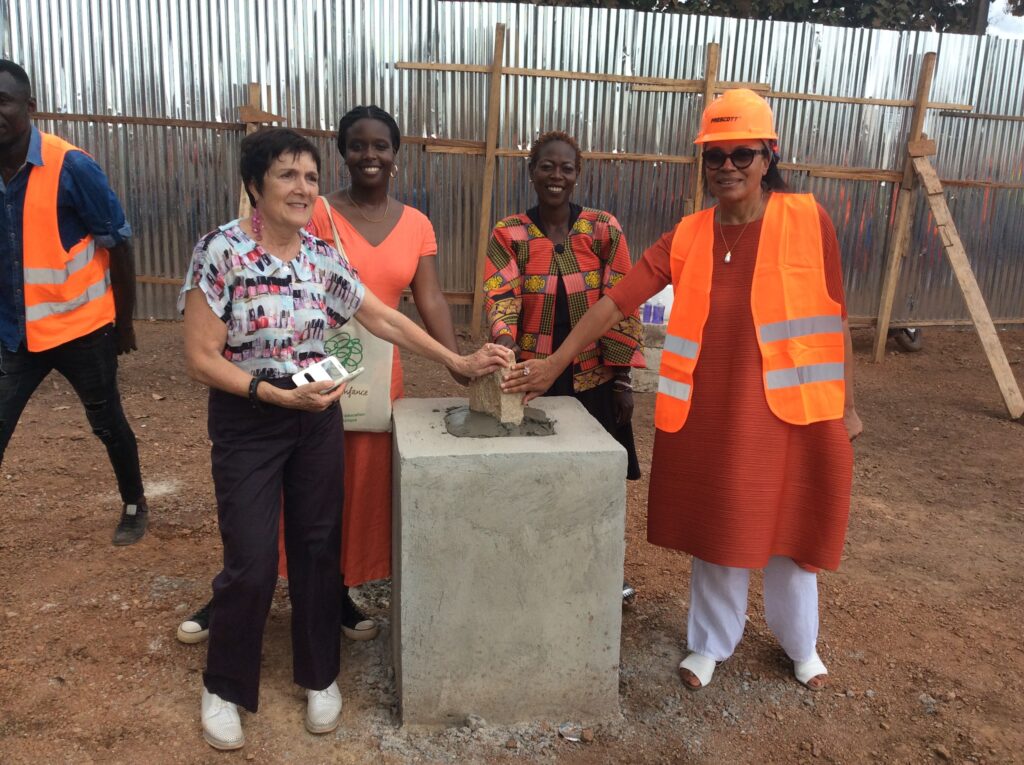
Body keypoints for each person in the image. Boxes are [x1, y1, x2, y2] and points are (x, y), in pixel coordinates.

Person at [503, 90, 862, 692]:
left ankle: (801, 646)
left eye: (741, 154)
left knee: (790, 526)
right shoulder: (689, 234)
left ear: (768, 156)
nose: (727, 167)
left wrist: (848, 407)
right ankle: (709, 644)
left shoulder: (807, 219)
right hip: (712, 408)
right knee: (720, 523)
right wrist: (553, 362)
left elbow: (838, 315)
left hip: (796, 407)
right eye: (714, 156)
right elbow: (615, 301)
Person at [181, 126, 509, 750]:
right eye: (286, 175)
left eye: (309, 176)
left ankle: (319, 676)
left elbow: (380, 315)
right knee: (251, 560)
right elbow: (200, 357)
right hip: (250, 416)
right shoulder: (219, 251)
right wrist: (271, 394)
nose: (303, 188)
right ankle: (224, 685)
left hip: (316, 417)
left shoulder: (320, 254)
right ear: (255, 186)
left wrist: (456, 363)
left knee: (316, 547)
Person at [175, 105, 466, 645]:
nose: (370, 155)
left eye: (381, 146)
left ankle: (329, 600)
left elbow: (404, 308)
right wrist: (270, 391)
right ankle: (238, 596)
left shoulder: (387, 232)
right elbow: (210, 339)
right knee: (255, 513)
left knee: (331, 511)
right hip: (276, 386)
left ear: (396, 155)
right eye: (357, 145)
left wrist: (456, 360)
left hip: (357, 383)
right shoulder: (299, 220)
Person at [482, 130, 646, 601]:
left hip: (594, 377)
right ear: (531, 172)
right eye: (547, 167)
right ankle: (537, 566)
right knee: (534, 473)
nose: (557, 176)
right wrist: (507, 348)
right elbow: (502, 294)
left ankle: (604, 570)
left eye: (566, 168)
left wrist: (622, 379)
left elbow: (622, 301)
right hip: (535, 376)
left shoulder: (602, 229)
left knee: (599, 478)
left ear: (578, 175)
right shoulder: (509, 232)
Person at [0, 59, 148, 545]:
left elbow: (118, 244)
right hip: (15, 335)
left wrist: (122, 323)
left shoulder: (71, 166)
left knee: (107, 423)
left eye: (4, 102)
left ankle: (133, 503)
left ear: (29, 107)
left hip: (81, 330)